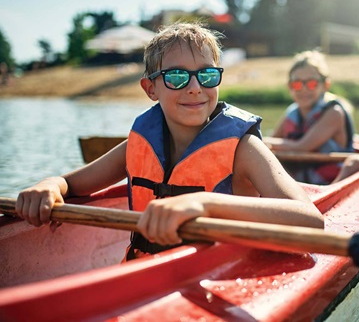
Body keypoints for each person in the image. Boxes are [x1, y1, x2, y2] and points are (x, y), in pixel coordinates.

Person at [15, 22, 324, 261]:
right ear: (151, 88)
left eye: (207, 76)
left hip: (220, 273)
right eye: (177, 77)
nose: (194, 88)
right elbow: (73, 184)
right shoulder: (139, 143)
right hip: (146, 273)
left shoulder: (243, 148)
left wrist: (203, 202)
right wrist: (50, 185)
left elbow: (310, 221)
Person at [263, 50, 359, 185]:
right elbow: (274, 140)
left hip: (331, 179)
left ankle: (332, 191)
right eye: (297, 84)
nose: (303, 89)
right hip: (300, 178)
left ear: (325, 85)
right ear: (290, 86)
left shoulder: (334, 113)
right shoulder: (292, 112)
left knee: (355, 163)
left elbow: (301, 147)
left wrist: (262, 141)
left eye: (311, 83)